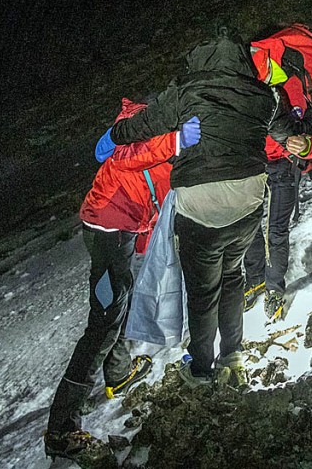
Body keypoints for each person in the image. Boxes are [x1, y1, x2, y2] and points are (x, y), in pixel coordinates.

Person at [102, 33, 299, 388]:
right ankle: (233, 354)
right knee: (232, 275)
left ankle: (202, 368)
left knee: (203, 291)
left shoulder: (184, 93)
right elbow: (287, 131)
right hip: (248, 201)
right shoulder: (265, 95)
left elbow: (142, 126)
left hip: (200, 206)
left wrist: (114, 134)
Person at [44, 98, 199, 461]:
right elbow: (129, 156)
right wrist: (176, 140)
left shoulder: (162, 132)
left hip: (119, 228)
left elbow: (150, 194)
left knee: (118, 301)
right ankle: (60, 429)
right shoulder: (148, 129)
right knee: (102, 324)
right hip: (107, 228)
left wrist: (145, 237)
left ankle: (118, 373)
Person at [243, 24, 312, 321]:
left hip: (283, 164)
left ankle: (274, 288)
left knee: (276, 230)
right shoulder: (243, 85)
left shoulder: (297, 83)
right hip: (251, 162)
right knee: (247, 224)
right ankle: (254, 278)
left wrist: (305, 145)